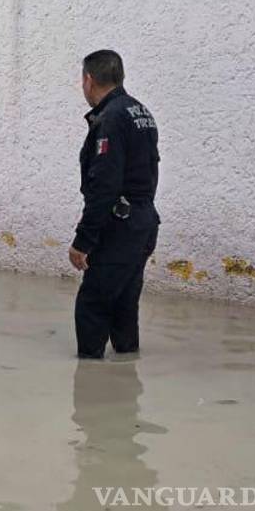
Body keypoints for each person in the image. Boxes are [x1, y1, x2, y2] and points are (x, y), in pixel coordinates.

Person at [69, 50, 160, 359]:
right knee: (124, 301)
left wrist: (83, 240)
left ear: (88, 79)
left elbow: (104, 186)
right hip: (143, 222)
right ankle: (124, 383)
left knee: (92, 305)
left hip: (120, 225)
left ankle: (90, 389)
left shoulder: (110, 119)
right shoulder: (140, 111)